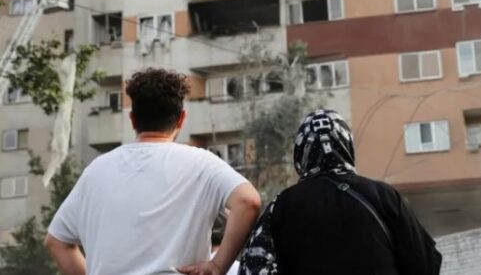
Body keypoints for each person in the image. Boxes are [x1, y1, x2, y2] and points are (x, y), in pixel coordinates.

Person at [45, 68, 261, 275]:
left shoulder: (96, 170)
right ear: (181, 118)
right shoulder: (201, 164)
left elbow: (57, 241)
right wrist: (218, 266)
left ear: (133, 119)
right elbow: (248, 201)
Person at [238, 109, 442, 275]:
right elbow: (426, 264)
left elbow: (253, 266)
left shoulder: (280, 207)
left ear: (300, 154)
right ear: (347, 146)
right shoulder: (384, 196)